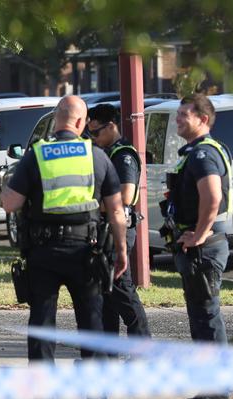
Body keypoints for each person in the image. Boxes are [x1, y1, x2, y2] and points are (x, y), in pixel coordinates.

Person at [1, 95, 128, 399]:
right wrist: (122, 252)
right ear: (82, 123)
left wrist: (7, 186)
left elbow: (10, 204)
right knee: (92, 324)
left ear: (57, 119)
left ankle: (43, 398)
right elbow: (116, 211)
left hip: (43, 253)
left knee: (43, 322)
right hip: (86, 252)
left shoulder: (36, 156)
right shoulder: (96, 156)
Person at [164, 93, 233, 399]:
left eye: (183, 115)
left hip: (204, 248)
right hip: (197, 246)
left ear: (203, 119)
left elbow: (213, 197)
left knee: (207, 319)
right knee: (200, 319)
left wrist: (200, 234)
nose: (177, 119)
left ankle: (217, 394)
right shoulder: (195, 152)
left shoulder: (204, 153)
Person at [86, 104, 151, 342]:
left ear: (111, 126)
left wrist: (90, 204)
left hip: (118, 230)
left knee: (123, 292)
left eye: (96, 132)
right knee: (107, 297)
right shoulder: (107, 152)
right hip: (106, 229)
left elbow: (126, 196)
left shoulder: (123, 155)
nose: (93, 138)